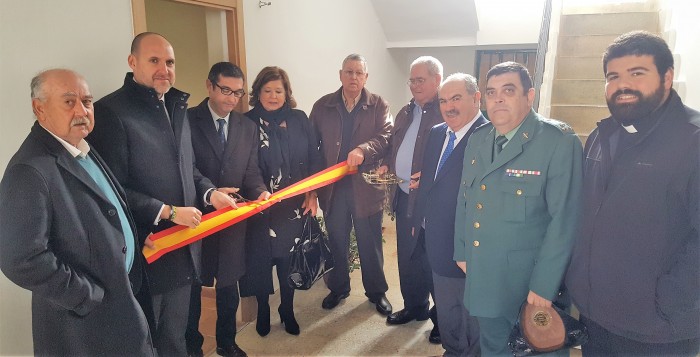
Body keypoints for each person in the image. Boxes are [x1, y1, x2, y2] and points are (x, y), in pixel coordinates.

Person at [89, 32, 238, 357]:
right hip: (149, 252)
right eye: (154, 60)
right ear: (133, 62)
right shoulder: (111, 113)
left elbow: (190, 169)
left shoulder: (176, 106)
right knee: (151, 342)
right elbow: (108, 190)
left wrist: (210, 194)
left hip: (185, 248)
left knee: (179, 336)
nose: (164, 69)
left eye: (169, 62)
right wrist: (167, 211)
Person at [0, 69, 154, 356]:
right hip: (85, 324)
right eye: (69, 102)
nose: (82, 111)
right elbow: (20, 258)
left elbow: (105, 209)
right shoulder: (30, 169)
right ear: (40, 109)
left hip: (122, 298)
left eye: (87, 101)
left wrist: (130, 237)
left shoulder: (80, 146)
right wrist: (86, 296)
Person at [566, 31, 700, 356]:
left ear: (667, 77)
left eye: (637, 73)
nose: (623, 85)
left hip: (656, 330)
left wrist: (668, 300)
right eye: (613, 76)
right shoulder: (603, 134)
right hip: (595, 318)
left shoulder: (692, 141)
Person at [454, 61, 583, 356]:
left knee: (541, 349)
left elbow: (565, 219)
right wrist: (461, 250)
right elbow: (465, 200)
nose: (497, 98)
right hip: (484, 273)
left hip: (528, 285)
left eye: (508, 91)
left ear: (530, 96)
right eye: (491, 92)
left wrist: (544, 286)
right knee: (493, 346)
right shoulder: (478, 140)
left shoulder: (557, 142)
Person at [186, 62, 269, 357]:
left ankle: (226, 341)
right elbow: (187, 169)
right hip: (198, 218)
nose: (232, 99)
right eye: (225, 91)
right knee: (195, 286)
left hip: (233, 219)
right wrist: (210, 193)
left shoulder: (247, 126)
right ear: (209, 86)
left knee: (229, 283)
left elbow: (251, 171)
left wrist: (260, 192)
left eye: (238, 93)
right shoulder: (186, 121)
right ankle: (192, 346)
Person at [239, 66, 323, 337]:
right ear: (258, 93)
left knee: (289, 260)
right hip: (259, 204)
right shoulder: (246, 121)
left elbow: (313, 158)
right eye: (267, 91)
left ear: (287, 93)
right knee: (261, 260)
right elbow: (242, 165)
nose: (273, 96)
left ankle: (287, 309)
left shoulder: (299, 119)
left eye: (279, 90)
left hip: (293, 205)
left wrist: (312, 194)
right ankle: (263, 308)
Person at [309, 54, 393, 315]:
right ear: (340, 74)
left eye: (359, 73)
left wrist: (363, 149)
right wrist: (312, 188)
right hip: (333, 190)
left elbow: (386, 136)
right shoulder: (323, 106)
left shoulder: (378, 104)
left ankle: (376, 292)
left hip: (366, 188)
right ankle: (338, 288)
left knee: (370, 243)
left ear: (366, 77)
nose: (354, 77)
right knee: (337, 241)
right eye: (349, 72)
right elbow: (312, 148)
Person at [413, 73, 486, 357]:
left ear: (476, 97)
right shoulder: (436, 133)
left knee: (472, 315)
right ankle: (453, 350)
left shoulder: (489, 137)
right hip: (435, 241)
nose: (449, 106)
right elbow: (431, 181)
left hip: (469, 246)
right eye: (443, 100)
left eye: (457, 98)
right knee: (447, 310)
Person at [378, 56, 444, 342]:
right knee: (409, 257)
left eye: (421, 80)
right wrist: (386, 162)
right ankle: (414, 307)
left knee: (435, 260)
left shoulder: (446, 110)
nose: (415, 85)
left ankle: (442, 318)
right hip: (405, 196)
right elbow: (394, 143)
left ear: (436, 80)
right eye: (412, 80)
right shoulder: (406, 111)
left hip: (433, 202)